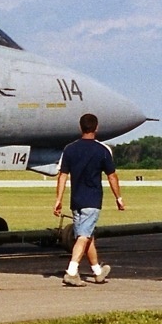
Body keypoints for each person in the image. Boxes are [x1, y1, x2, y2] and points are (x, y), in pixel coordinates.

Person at [53, 112, 125, 286]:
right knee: (84, 236)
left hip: (76, 200)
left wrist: (58, 199)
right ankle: (71, 271)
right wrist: (119, 197)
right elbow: (112, 176)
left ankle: (98, 271)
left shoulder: (70, 149)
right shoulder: (102, 150)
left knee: (87, 235)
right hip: (92, 200)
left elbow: (62, 175)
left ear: (81, 127)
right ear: (96, 128)